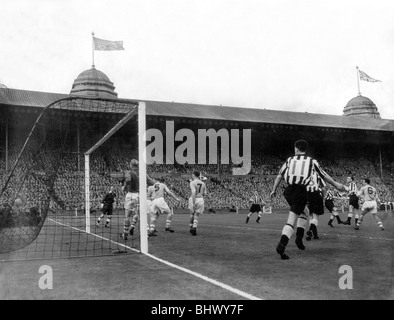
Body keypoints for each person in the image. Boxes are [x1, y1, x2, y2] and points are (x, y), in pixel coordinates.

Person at [270, 140, 347, 260]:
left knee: (305, 212)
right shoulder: (311, 161)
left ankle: (299, 240)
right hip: (300, 191)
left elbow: (280, 176)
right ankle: (282, 245)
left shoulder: (290, 160)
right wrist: (336, 184)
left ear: (296, 149)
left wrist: (273, 190)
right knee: (292, 220)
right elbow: (323, 175)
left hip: (288, 191)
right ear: (305, 149)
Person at [120, 159, 155, 240]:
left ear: (131, 165)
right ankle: (145, 233)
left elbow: (128, 180)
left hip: (131, 195)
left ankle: (125, 234)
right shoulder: (143, 173)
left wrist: (124, 187)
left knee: (127, 216)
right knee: (140, 216)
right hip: (140, 196)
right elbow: (152, 183)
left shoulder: (129, 172)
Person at [188, 171, 207, 236]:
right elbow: (205, 194)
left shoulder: (192, 182)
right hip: (200, 199)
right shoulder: (203, 183)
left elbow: (193, 192)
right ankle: (194, 227)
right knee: (197, 214)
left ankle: (191, 228)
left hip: (194, 198)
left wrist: (193, 202)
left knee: (192, 214)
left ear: (193, 175)